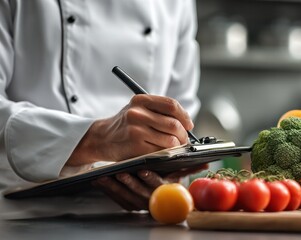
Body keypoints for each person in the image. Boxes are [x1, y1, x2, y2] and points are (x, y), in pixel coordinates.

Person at [0, 0, 203, 218]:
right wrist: (93, 139)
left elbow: (181, 112)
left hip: (141, 217)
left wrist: (166, 173)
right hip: (23, 214)